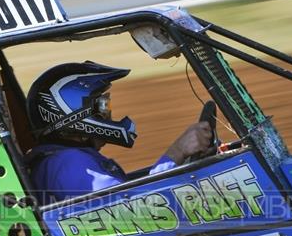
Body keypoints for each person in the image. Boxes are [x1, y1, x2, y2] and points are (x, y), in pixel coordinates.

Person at [26, 61, 214, 205]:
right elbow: (134, 210)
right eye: (103, 105)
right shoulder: (70, 163)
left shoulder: (59, 159)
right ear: (75, 113)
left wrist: (185, 162)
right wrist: (177, 151)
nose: (109, 113)